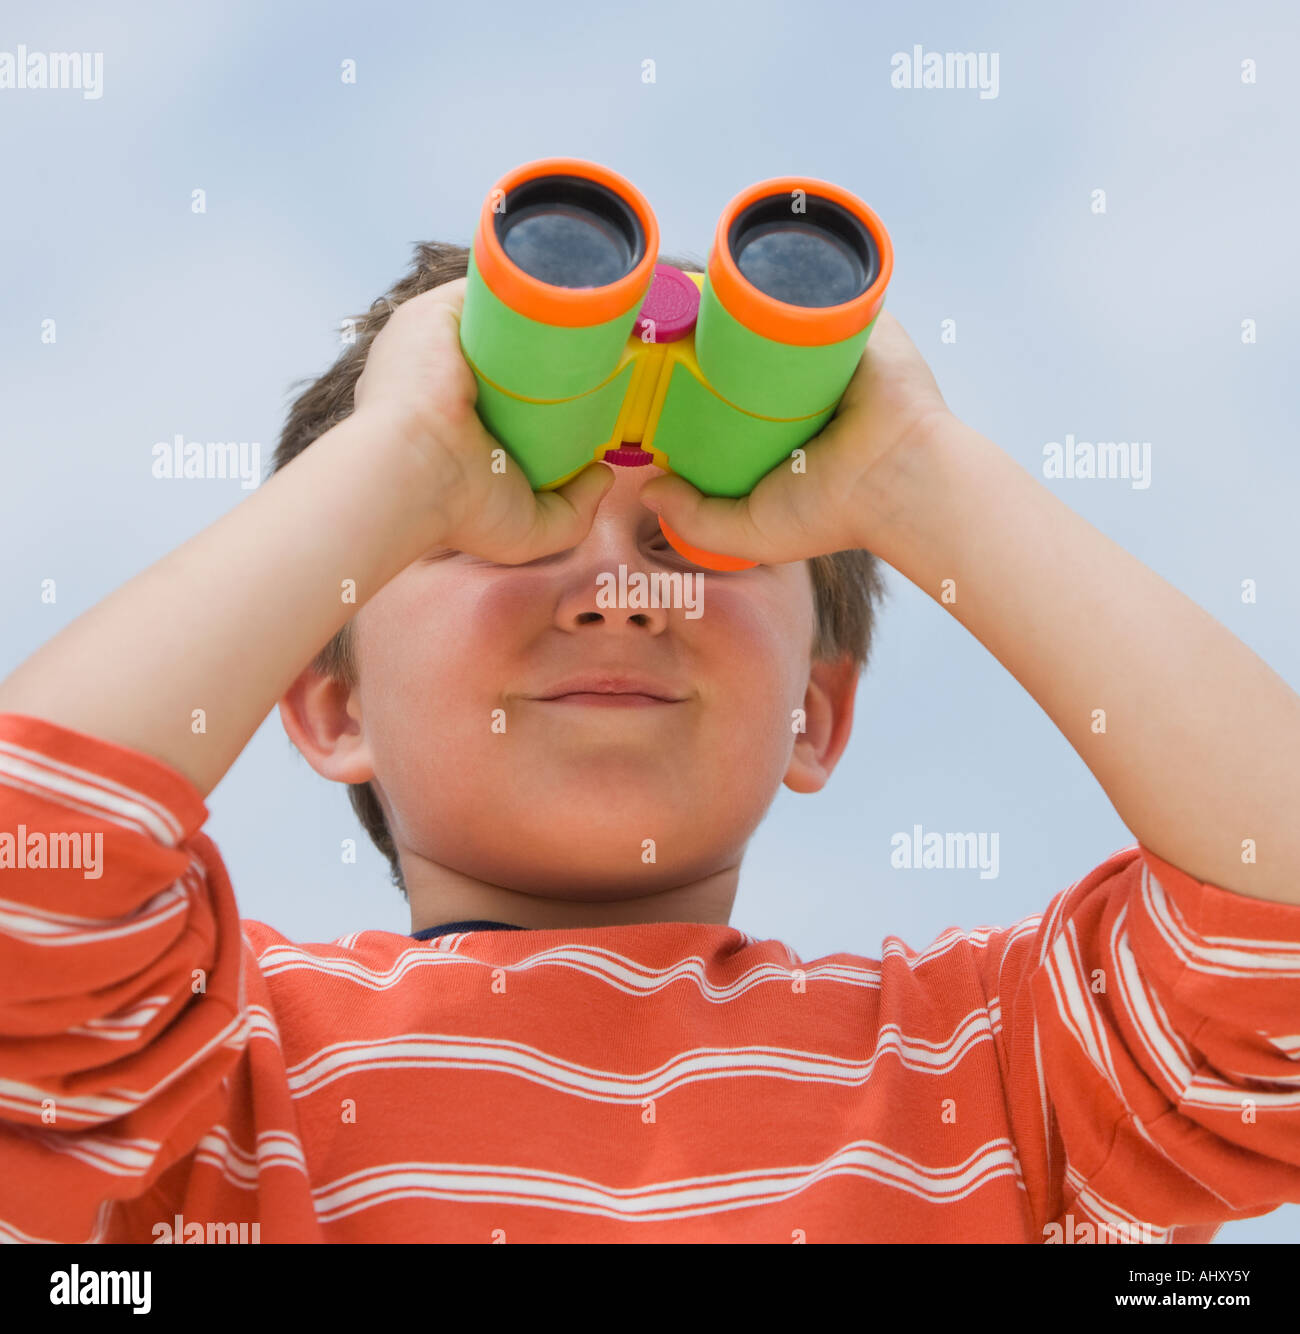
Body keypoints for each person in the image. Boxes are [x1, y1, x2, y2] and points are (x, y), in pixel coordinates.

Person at [2, 242, 1297, 1244]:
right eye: (503, 531)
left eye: (696, 542)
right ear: (335, 704)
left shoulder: (991, 1079)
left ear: (816, 710)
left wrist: (917, 471)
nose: (621, 591)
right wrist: (401, 451)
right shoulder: (218, 1081)